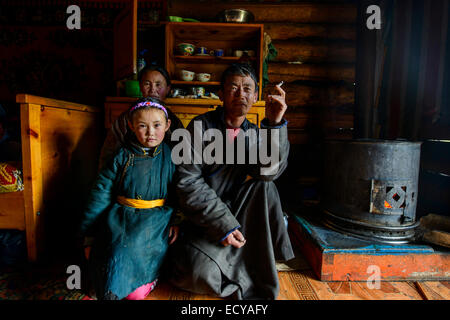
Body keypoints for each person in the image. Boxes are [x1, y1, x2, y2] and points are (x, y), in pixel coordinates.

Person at [167, 63, 295, 299]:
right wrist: (223, 224)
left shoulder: (257, 133)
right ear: (221, 94)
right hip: (207, 220)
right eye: (233, 88)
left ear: (256, 96)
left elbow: (269, 172)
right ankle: (248, 266)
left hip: (241, 217)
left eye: (247, 89)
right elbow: (187, 182)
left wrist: (274, 124)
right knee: (196, 272)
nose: (241, 95)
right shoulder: (199, 127)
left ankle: (244, 263)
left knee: (264, 185)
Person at [79, 97, 179, 300]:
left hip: (156, 222)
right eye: (143, 126)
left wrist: (177, 220)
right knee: (113, 253)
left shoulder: (171, 156)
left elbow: (180, 192)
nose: (150, 132)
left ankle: (145, 282)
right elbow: (100, 194)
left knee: (137, 254)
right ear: (131, 126)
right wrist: (88, 236)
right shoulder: (121, 156)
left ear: (167, 126)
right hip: (121, 217)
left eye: (157, 125)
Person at [99, 64, 184, 169]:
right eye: (147, 84)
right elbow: (108, 155)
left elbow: (182, 158)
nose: (153, 89)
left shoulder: (174, 122)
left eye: (158, 84)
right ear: (140, 86)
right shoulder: (125, 119)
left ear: (168, 89)